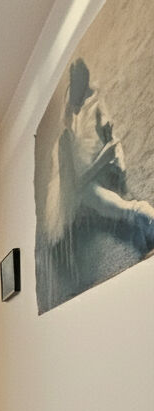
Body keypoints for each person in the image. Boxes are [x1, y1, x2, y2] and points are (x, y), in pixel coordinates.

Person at [42, 58, 154, 291]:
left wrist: (113, 158)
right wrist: (106, 157)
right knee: (116, 209)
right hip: (84, 183)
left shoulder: (89, 106)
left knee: (123, 210)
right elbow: (80, 180)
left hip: (91, 178)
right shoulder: (67, 141)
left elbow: (109, 142)